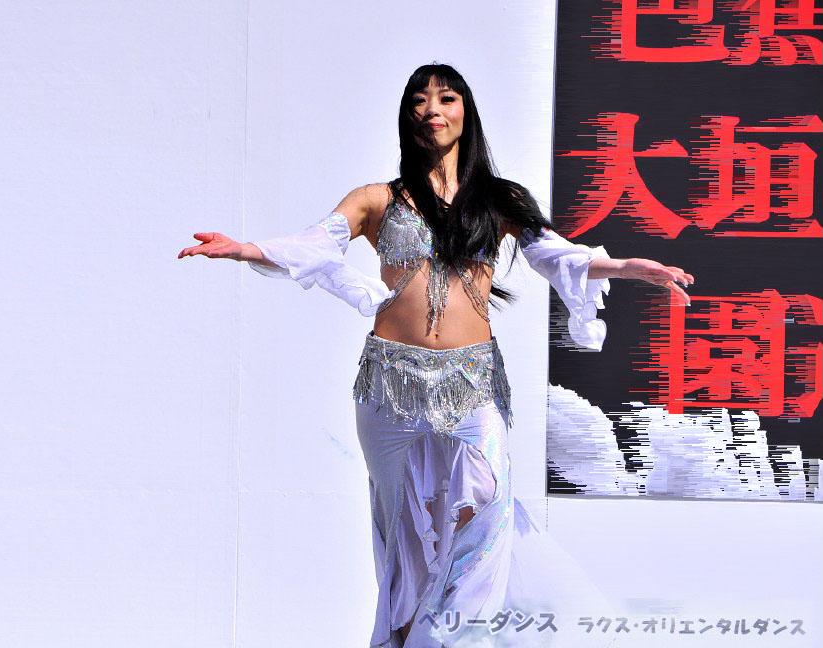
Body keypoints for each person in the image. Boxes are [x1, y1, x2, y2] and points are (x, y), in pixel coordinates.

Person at [178, 63, 693, 648]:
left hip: (472, 380)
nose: (432, 111)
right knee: (403, 531)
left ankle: (454, 639)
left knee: (485, 514)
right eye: (420, 101)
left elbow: (556, 255)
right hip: (389, 382)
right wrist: (244, 249)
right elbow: (316, 244)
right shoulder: (377, 199)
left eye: (446, 99)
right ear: (408, 117)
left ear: (464, 112)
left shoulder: (498, 199)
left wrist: (623, 266)